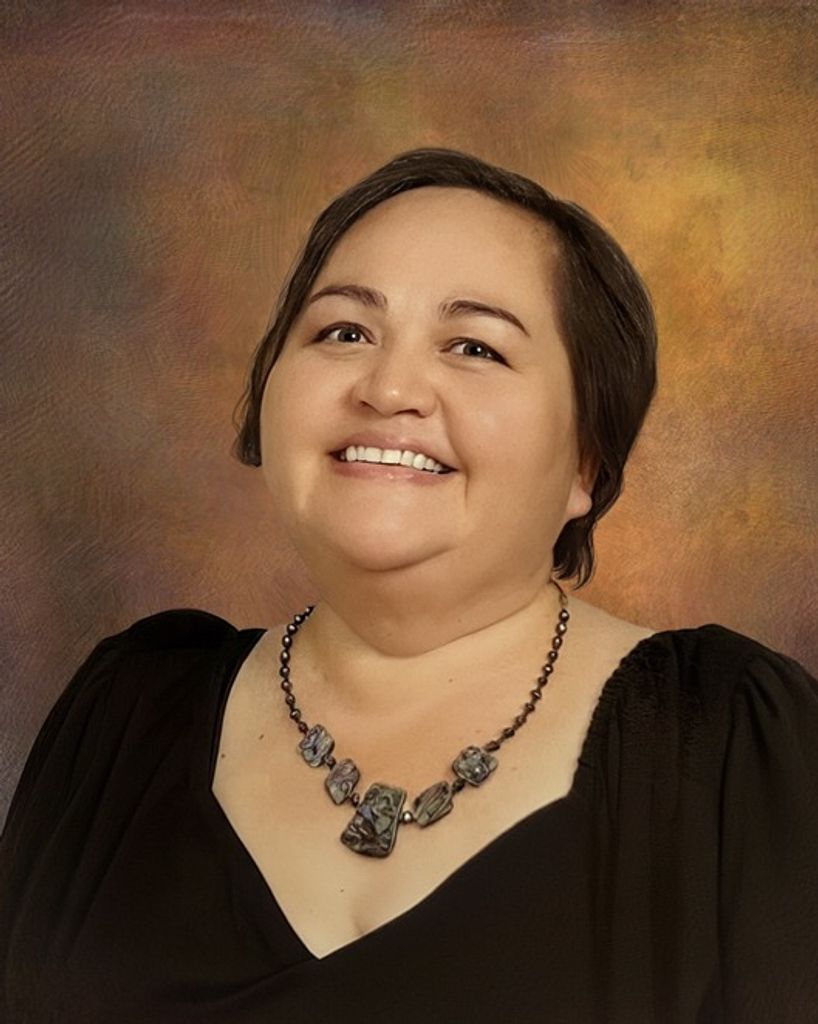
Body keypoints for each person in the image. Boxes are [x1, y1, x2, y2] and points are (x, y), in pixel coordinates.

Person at [1, 147, 817, 1023]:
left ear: (586, 460)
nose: (389, 387)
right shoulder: (125, 709)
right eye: (343, 332)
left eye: (475, 347)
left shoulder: (733, 747)